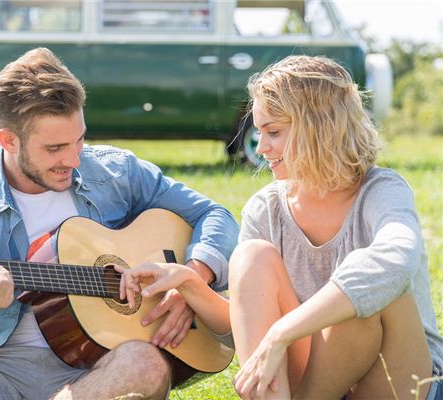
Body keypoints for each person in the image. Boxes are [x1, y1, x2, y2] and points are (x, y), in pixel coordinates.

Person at [0, 47, 239, 400]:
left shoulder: (114, 172)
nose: (74, 159)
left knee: (144, 365)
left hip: (95, 369)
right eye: (54, 149)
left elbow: (214, 215)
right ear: (8, 141)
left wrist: (190, 278)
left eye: (79, 140)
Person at [120, 55, 443, 399]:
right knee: (250, 256)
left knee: (371, 294)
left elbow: (395, 259)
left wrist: (282, 333)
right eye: (259, 132)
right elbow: (245, 323)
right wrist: (189, 282)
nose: (261, 147)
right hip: (319, 377)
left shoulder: (381, 191)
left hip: (400, 378)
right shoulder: (267, 208)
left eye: (274, 132)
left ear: (321, 127)